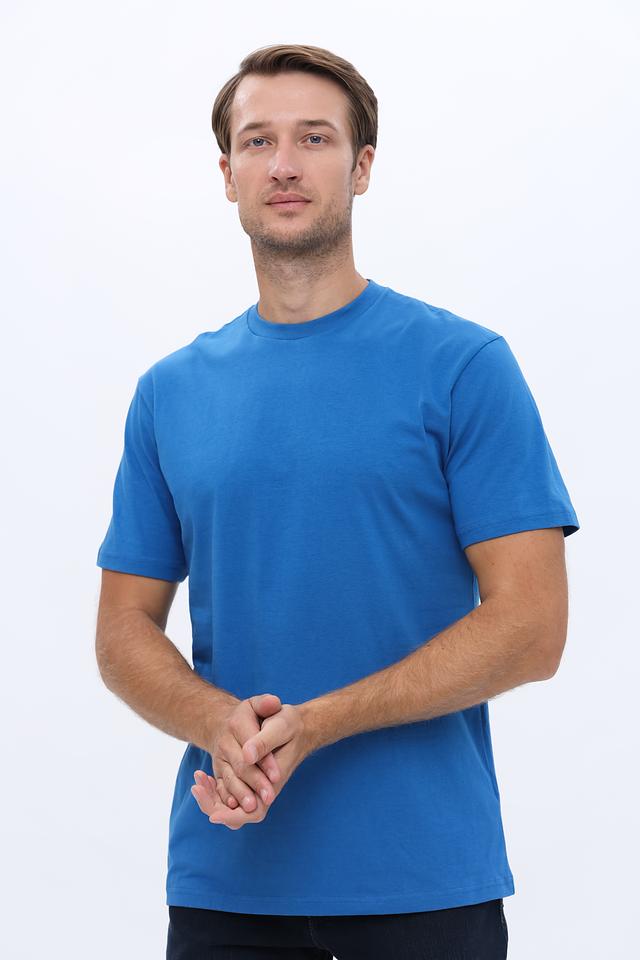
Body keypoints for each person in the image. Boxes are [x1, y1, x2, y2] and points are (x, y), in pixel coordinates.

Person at [95, 42, 580, 960]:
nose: (284, 164)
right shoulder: (170, 393)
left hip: (424, 883)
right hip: (227, 881)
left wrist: (316, 724)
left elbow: (533, 628)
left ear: (361, 167)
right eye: (258, 141)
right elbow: (122, 629)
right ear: (228, 175)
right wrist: (214, 723)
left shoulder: (465, 367)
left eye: (314, 138)